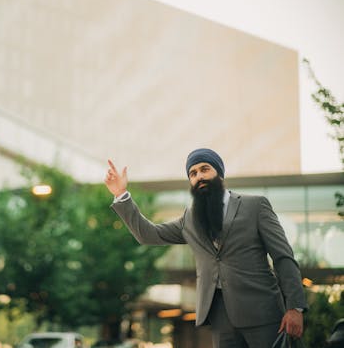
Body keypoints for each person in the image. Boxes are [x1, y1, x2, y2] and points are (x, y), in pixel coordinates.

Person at [104, 148, 307, 348]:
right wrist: (122, 195)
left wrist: (294, 307)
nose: (199, 176)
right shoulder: (189, 219)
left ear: (219, 173)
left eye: (205, 169)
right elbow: (148, 234)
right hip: (220, 318)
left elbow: (283, 257)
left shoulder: (255, 206)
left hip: (264, 314)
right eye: (193, 173)